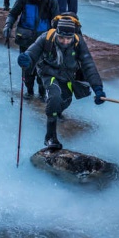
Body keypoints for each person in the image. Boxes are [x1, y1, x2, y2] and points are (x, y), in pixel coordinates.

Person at [17, 16, 106, 150]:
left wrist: (98, 88)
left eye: (68, 38)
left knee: (65, 101)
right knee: (54, 96)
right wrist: (26, 58)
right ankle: (50, 137)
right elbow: (33, 51)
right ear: (57, 34)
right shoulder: (46, 38)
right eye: (61, 38)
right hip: (48, 73)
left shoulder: (78, 42)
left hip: (67, 76)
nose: (65, 41)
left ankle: (56, 112)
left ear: (73, 35)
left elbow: (88, 65)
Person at [3, 0, 59, 100]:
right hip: (25, 40)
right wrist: (8, 25)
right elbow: (13, 14)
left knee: (43, 70)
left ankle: (42, 92)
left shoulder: (51, 1)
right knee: (27, 69)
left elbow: (56, 23)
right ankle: (29, 90)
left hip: (44, 42)